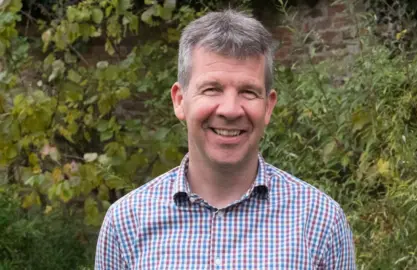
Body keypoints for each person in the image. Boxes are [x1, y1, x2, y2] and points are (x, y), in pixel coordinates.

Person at [95, 9, 356, 269]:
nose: (230, 110)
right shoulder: (126, 224)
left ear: (268, 106)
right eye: (212, 89)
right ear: (180, 100)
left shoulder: (321, 223)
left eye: (248, 92)